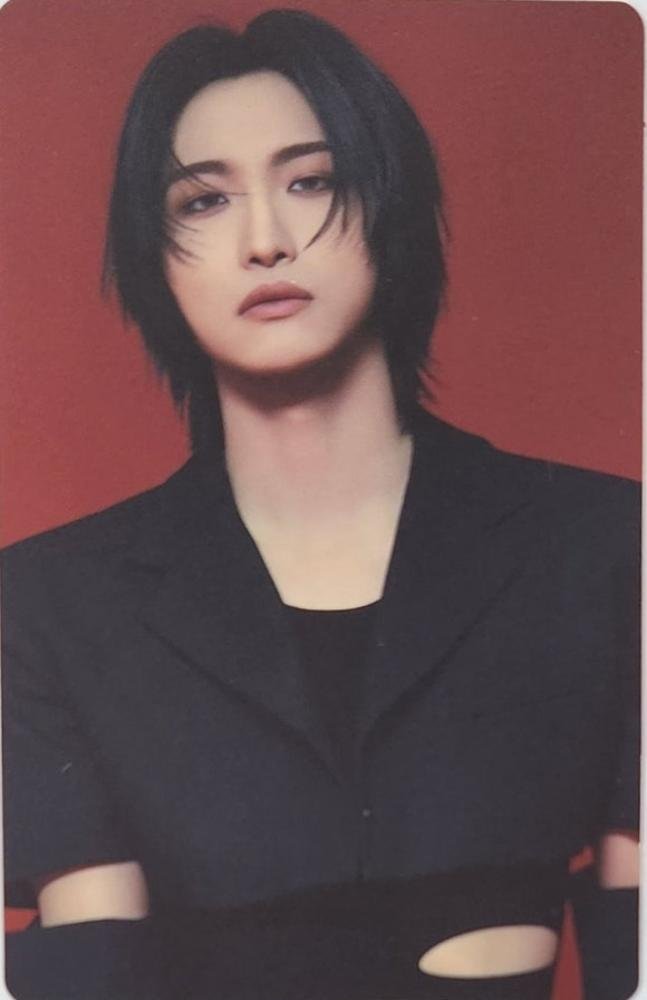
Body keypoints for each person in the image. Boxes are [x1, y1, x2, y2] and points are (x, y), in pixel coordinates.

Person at [2, 9, 639, 1000]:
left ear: (388, 205)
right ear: (152, 256)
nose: (264, 241)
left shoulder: (605, 548)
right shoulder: (47, 603)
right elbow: (94, 965)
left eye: (311, 182)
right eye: (203, 201)